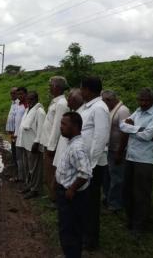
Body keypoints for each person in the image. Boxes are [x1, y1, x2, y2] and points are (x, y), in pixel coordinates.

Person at [120, 87, 153, 235]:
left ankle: (139, 226)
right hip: (130, 156)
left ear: (152, 100)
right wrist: (138, 129)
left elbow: (147, 135)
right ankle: (131, 220)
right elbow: (122, 125)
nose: (143, 103)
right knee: (127, 190)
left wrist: (131, 128)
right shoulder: (138, 111)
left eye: (146, 100)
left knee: (141, 193)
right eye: (141, 99)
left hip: (145, 159)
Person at [56, 112, 92, 258]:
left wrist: (72, 189)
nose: (61, 127)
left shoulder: (77, 148)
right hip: (67, 193)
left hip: (72, 197)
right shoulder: (71, 143)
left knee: (70, 230)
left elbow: (85, 173)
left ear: (75, 126)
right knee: (68, 228)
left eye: (64, 124)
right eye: (61, 123)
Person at [80, 76, 110, 251]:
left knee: (91, 204)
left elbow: (100, 138)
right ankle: (85, 233)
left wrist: (89, 165)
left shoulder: (99, 108)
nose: (81, 91)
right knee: (85, 202)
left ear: (89, 90)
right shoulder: (88, 107)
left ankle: (91, 240)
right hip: (85, 163)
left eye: (82, 88)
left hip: (93, 166)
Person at [40, 76, 69, 203]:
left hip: (52, 146)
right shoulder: (56, 101)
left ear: (57, 87)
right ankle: (52, 195)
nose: (49, 87)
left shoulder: (62, 104)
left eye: (50, 85)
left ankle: (55, 199)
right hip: (47, 143)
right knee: (48, 172)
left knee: (52, 173)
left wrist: (51, 147)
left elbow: (58, 127)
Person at [101, 90, 130, 211]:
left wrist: (119, 152)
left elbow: (125, 132)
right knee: (108, 176)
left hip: (118, 150)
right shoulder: (111, 108)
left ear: (110, 100)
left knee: (117, 178)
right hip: (109, 149)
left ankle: (115, 204)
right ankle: (108, 198)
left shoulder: (123, 111)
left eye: (105, 102)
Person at [18, 91, 46, 199]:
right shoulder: (28, 110)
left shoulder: (40, 111)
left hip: (33, 145)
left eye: (31, 99)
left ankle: (36, 189)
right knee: (30, 168)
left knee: (35, 169)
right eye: (28, 99)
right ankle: (30, 185)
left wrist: (37, 142)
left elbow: (41, 129)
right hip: (26, 144)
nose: (29, 101)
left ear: (36, 99)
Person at [14, 87, 28, 183]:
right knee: (19, 157)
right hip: (17, 135)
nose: (20, 96)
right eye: (18, 94)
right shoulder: (18, 104)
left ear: (26, 94)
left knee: (24, 158)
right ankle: (21, 176)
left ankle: (24, 178)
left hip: (23, 136)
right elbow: (17, 121)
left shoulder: (27, 105)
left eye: (21, 94)